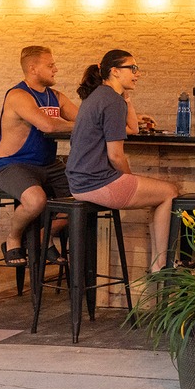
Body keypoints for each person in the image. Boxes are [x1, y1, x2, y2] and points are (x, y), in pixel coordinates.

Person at [66, 50, 176, 272]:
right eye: (132, 68)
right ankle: (161, 265)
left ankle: (159, 263)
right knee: (169, 192)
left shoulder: (100, 96)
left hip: (79, 182)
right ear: (115, 71)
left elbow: (133, 128)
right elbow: (116, 155)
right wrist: (130, 180)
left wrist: (126, 99)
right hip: (96, 183)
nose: (138, 74)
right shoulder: (111, 101)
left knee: (158, 193)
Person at [0, 46, 79, 265]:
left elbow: (84, 118)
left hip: (48, 165)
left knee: (85, 197)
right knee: (36, 200)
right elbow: (48, 125)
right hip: (13, 165)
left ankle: (41, 237)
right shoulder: (18, 95)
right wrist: (79, 125)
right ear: (33, 68)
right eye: (50, 65)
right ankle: (13, 239)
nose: (55, 69)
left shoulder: (56, 97)